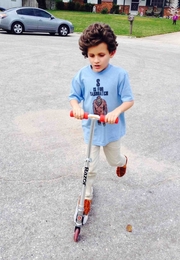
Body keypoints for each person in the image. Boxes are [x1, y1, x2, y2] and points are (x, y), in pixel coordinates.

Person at [69, 23, 134, 222]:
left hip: (111, 129)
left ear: (111, 52)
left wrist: (116, 112)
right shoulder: (82, 75)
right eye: (91, 55)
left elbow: (128, 100)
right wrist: (77, 108)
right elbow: (74, 96)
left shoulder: (120, 75)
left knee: (113, 160)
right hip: (91, 130)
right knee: (90, 166)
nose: (96, 60)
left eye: (101, 55)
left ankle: (122, 162)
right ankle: (86, 197)